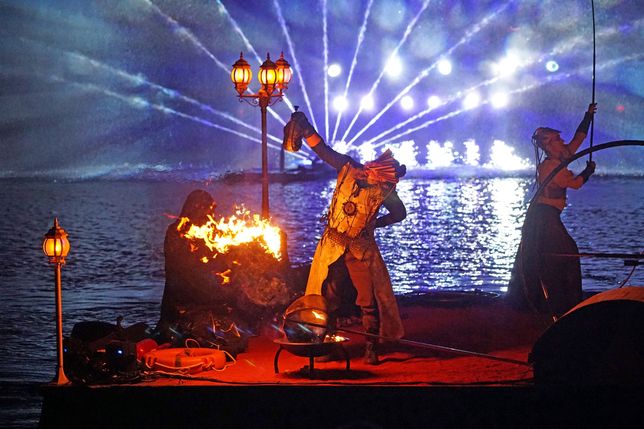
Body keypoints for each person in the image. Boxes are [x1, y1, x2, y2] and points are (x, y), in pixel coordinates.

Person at [286, 111, 407, 365]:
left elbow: (399, 213)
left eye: (386, 180)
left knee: (368, 299)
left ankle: (371, 347)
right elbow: (324, 150)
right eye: (383, 177)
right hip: (333, 244)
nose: (381, 181)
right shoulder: (348, 167)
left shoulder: (384, 190)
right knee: (326, 296)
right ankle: (323, 343)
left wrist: (375, 224)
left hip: (361, 248)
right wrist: (306, 130)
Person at [507, 103, 597, 318]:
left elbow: (579, 138)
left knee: (562, 252)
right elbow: (574, 183)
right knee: (562, 251)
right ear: (549, 145)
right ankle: (557, 300)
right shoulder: (549, 166)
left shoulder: (562, 156)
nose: (563, 142)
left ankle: (560, 298)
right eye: (558, 140)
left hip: (550, 215)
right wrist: (588, 171)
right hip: (543, 216)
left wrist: (588, 115)